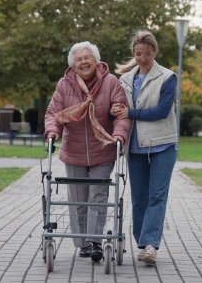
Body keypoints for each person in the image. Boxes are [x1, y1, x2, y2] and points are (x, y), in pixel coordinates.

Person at [44, 41, 130, 262]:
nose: (83, 62)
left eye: (87, 57)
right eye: (79, 59)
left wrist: (120, 135)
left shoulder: (111, 82)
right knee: (78, 199)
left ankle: (95, 241)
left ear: (96, 60)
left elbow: (121, 113)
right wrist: (53, 132)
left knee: (98, 196)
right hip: (74, 151)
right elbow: (54, 113)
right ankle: (83, 242)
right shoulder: (64, 85)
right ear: (73, 64)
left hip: (102, 149)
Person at [111, 30, 178, 265]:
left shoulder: (168, 77)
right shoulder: (125, 80)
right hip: (135, 147)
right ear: (134, 53)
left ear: (155, 52)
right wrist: (115, 112)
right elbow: (117, 109)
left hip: (162, 145)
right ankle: (142, 242)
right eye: (138, 54)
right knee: (139, 198)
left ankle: (150, 245)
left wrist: (129, 112)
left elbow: (161, 111)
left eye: (147, 54)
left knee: (156, 196)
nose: (142, 58)